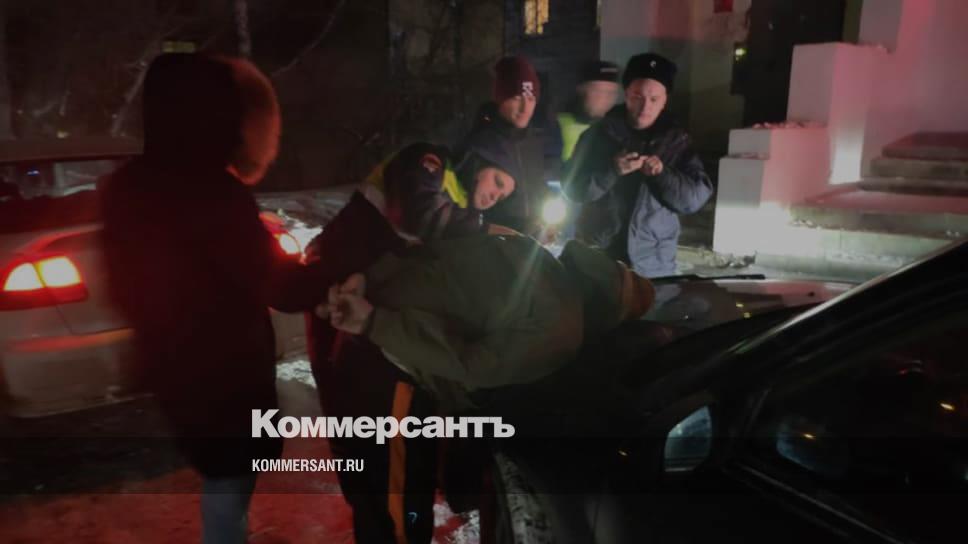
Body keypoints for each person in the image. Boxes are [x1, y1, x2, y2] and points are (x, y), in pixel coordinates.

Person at [99, 53, 328, 544]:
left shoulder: (129, 185)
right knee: (230, 478)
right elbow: (278, 284)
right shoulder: (212, 193)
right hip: (223, 377)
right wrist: (329, 272)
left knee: (223, 477)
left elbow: (123, 283)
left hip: (177, 369)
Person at [563, 53, 714, 277]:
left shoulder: (677, 142)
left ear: (665, 100)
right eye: (637, 97)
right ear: (626, 94)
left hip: (653, 263)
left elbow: (693, 199)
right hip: (601, 259)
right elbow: (573, 189)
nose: (645, 107)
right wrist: (612, 170)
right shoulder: (597, 135)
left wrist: (662, 174)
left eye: (654, 99)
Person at [459, 56, 550, 236]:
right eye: (517, 98)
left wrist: (543, 223)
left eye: (531, 99)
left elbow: (537, 187)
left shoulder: (534, 141)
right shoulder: (482, 141)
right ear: (500, 98)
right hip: (491, 242)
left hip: (527, 243)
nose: (525, 108)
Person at [360, 141, 520, 240]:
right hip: (356, 226)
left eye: (501, 198)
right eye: (497, 182)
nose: (494, 197)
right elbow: (420, 213)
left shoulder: (464, 209)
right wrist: (483, 230)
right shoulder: (431, 158)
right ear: (480, 163)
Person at [556, 60, 621, 164]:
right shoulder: (558, 126)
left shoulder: (620, 131)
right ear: (581, 90)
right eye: (598, 91)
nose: (604, 99)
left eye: (611, 93)